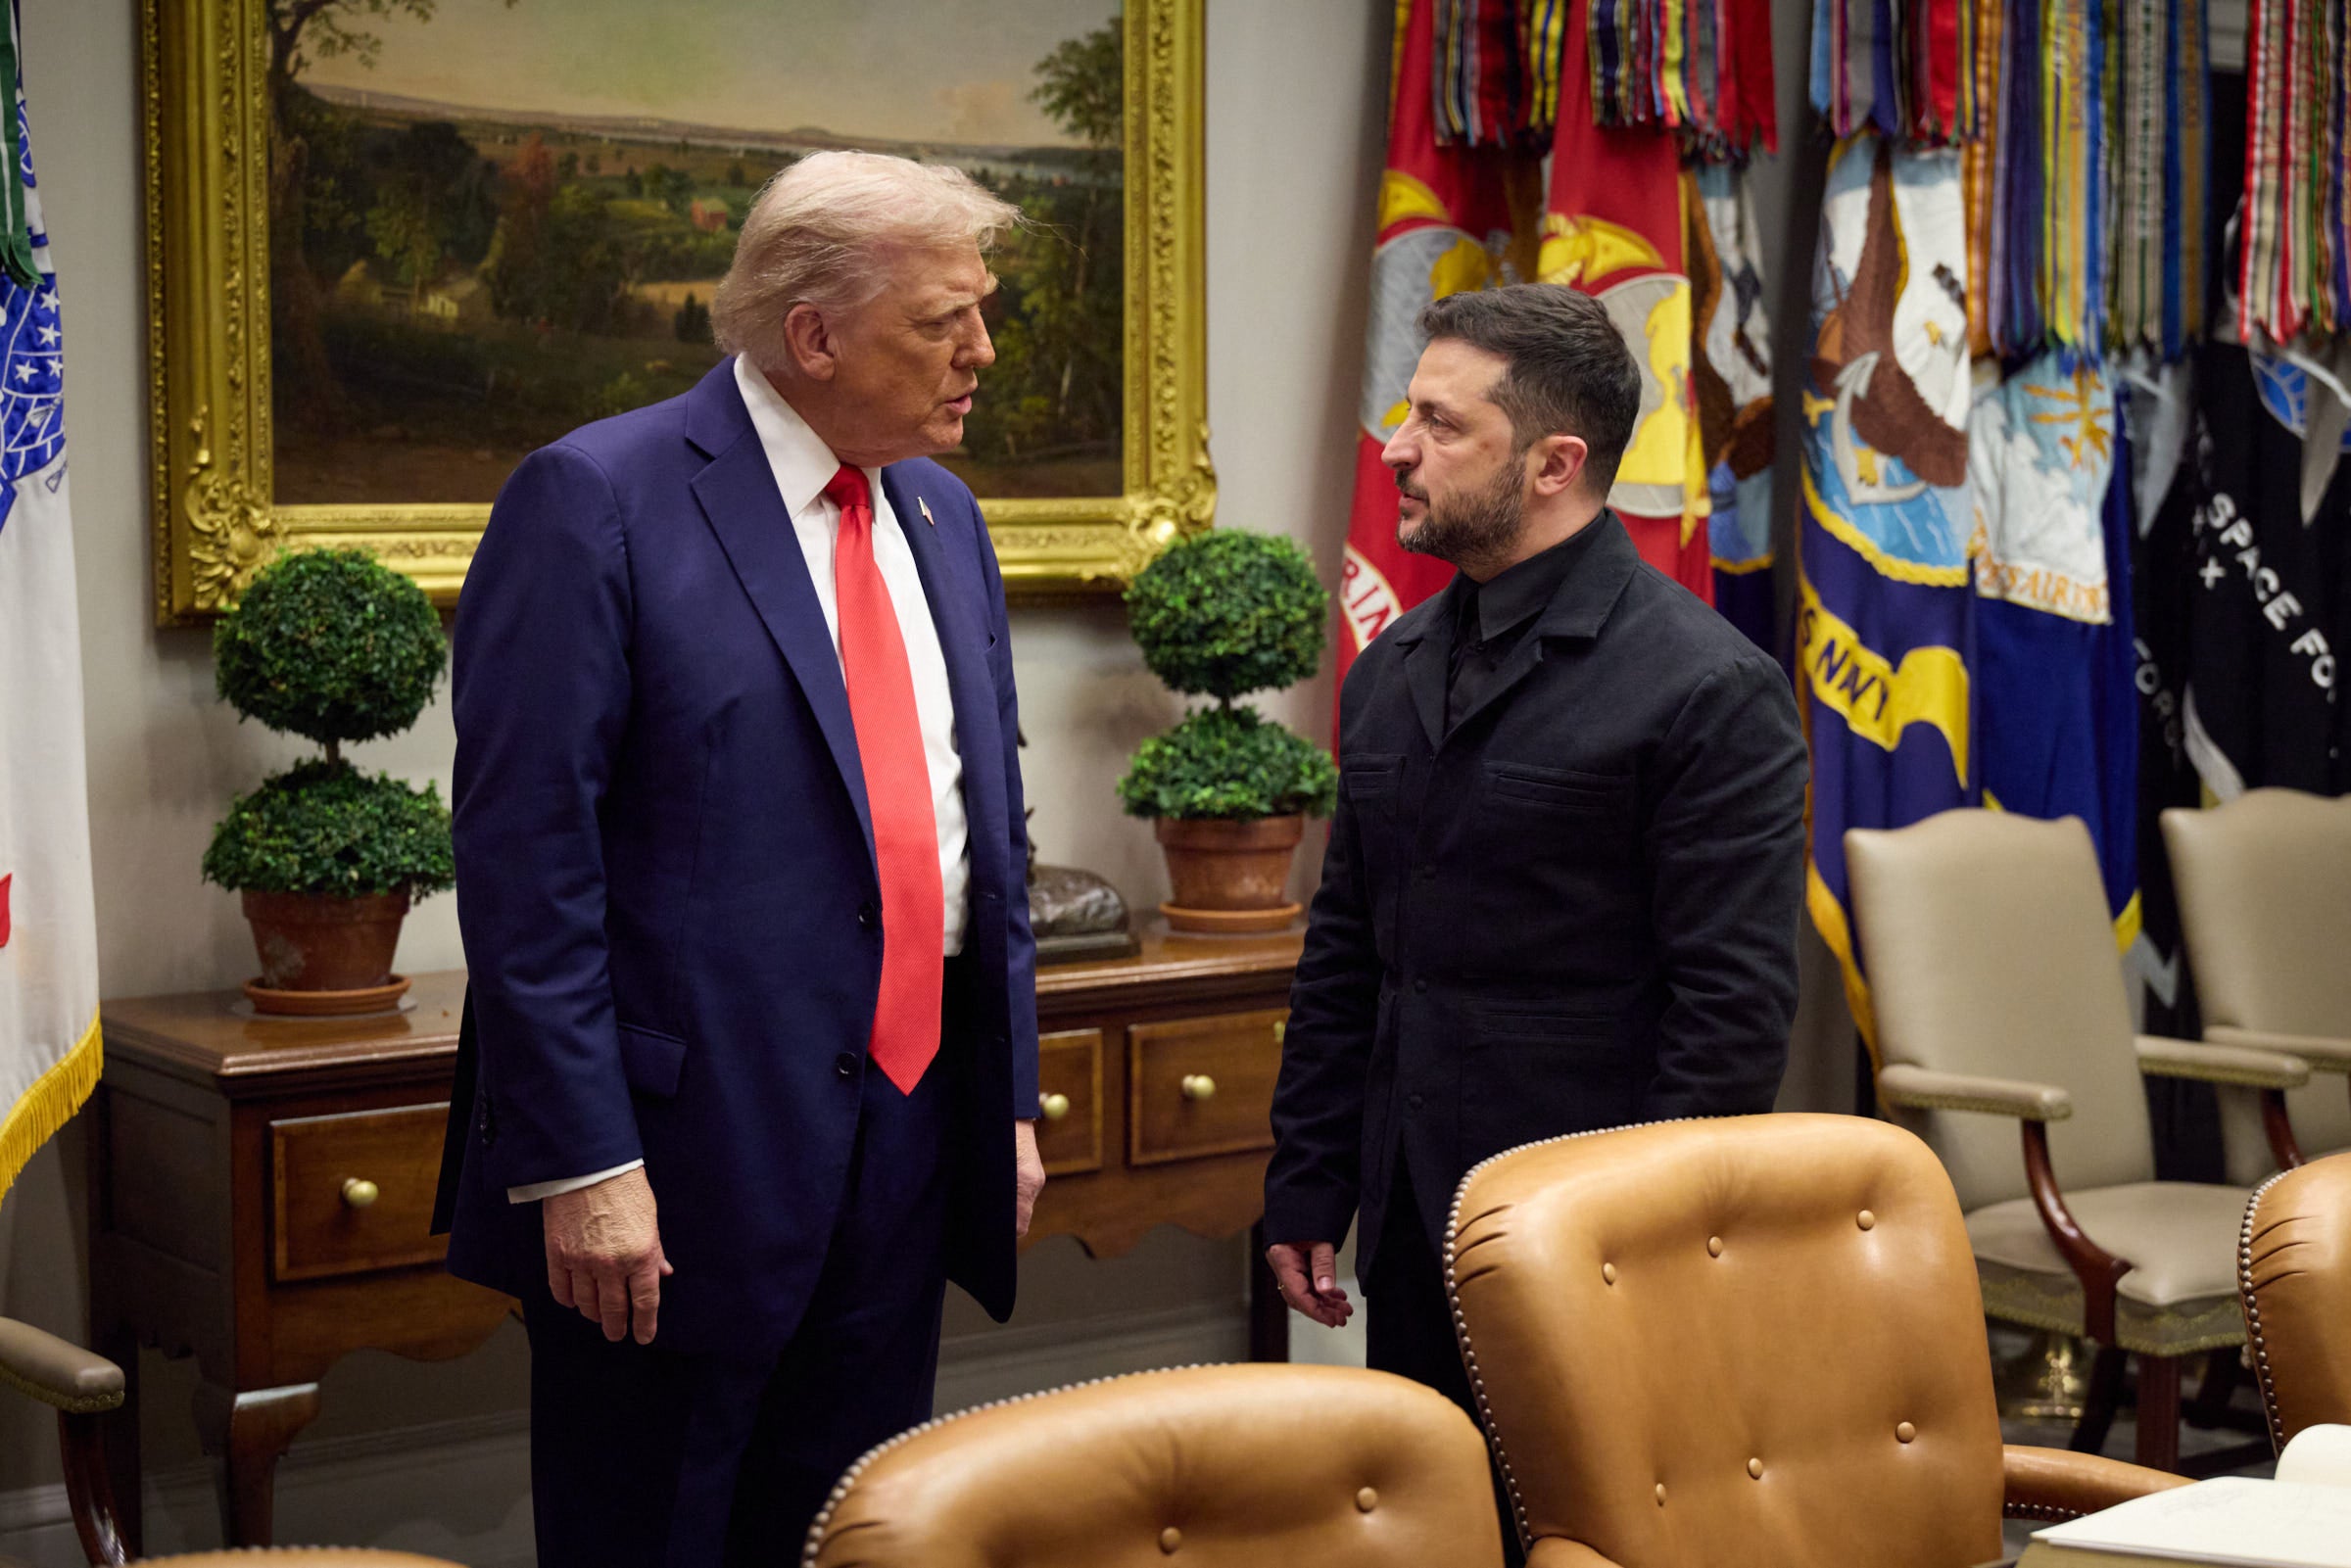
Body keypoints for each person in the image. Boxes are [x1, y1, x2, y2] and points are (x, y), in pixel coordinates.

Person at [430, 152, 1044, 1567]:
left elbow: (985, 833)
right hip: (677, 1160)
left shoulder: (943, 517)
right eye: (942, 321)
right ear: (814, 334)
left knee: (854, 1528)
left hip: (907, 1130)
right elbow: (529, 871)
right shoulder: (596, 498)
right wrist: (583, 1159)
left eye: (983, 312)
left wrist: (1001, 1100)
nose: (983, 353)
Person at [1263, 283, 1807, 1494]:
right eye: (1409, 414)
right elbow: (1351, 945)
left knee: (1583, 1528)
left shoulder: (1708, 688)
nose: (1397, 448)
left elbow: (1729, 1017)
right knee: (1436, 1522)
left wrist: (1639, 1237)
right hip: (1411, 1211)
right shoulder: (1392, 666)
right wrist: (1309, 1175)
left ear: (1556, 462)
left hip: (1589, 1228)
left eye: (1442, 425)